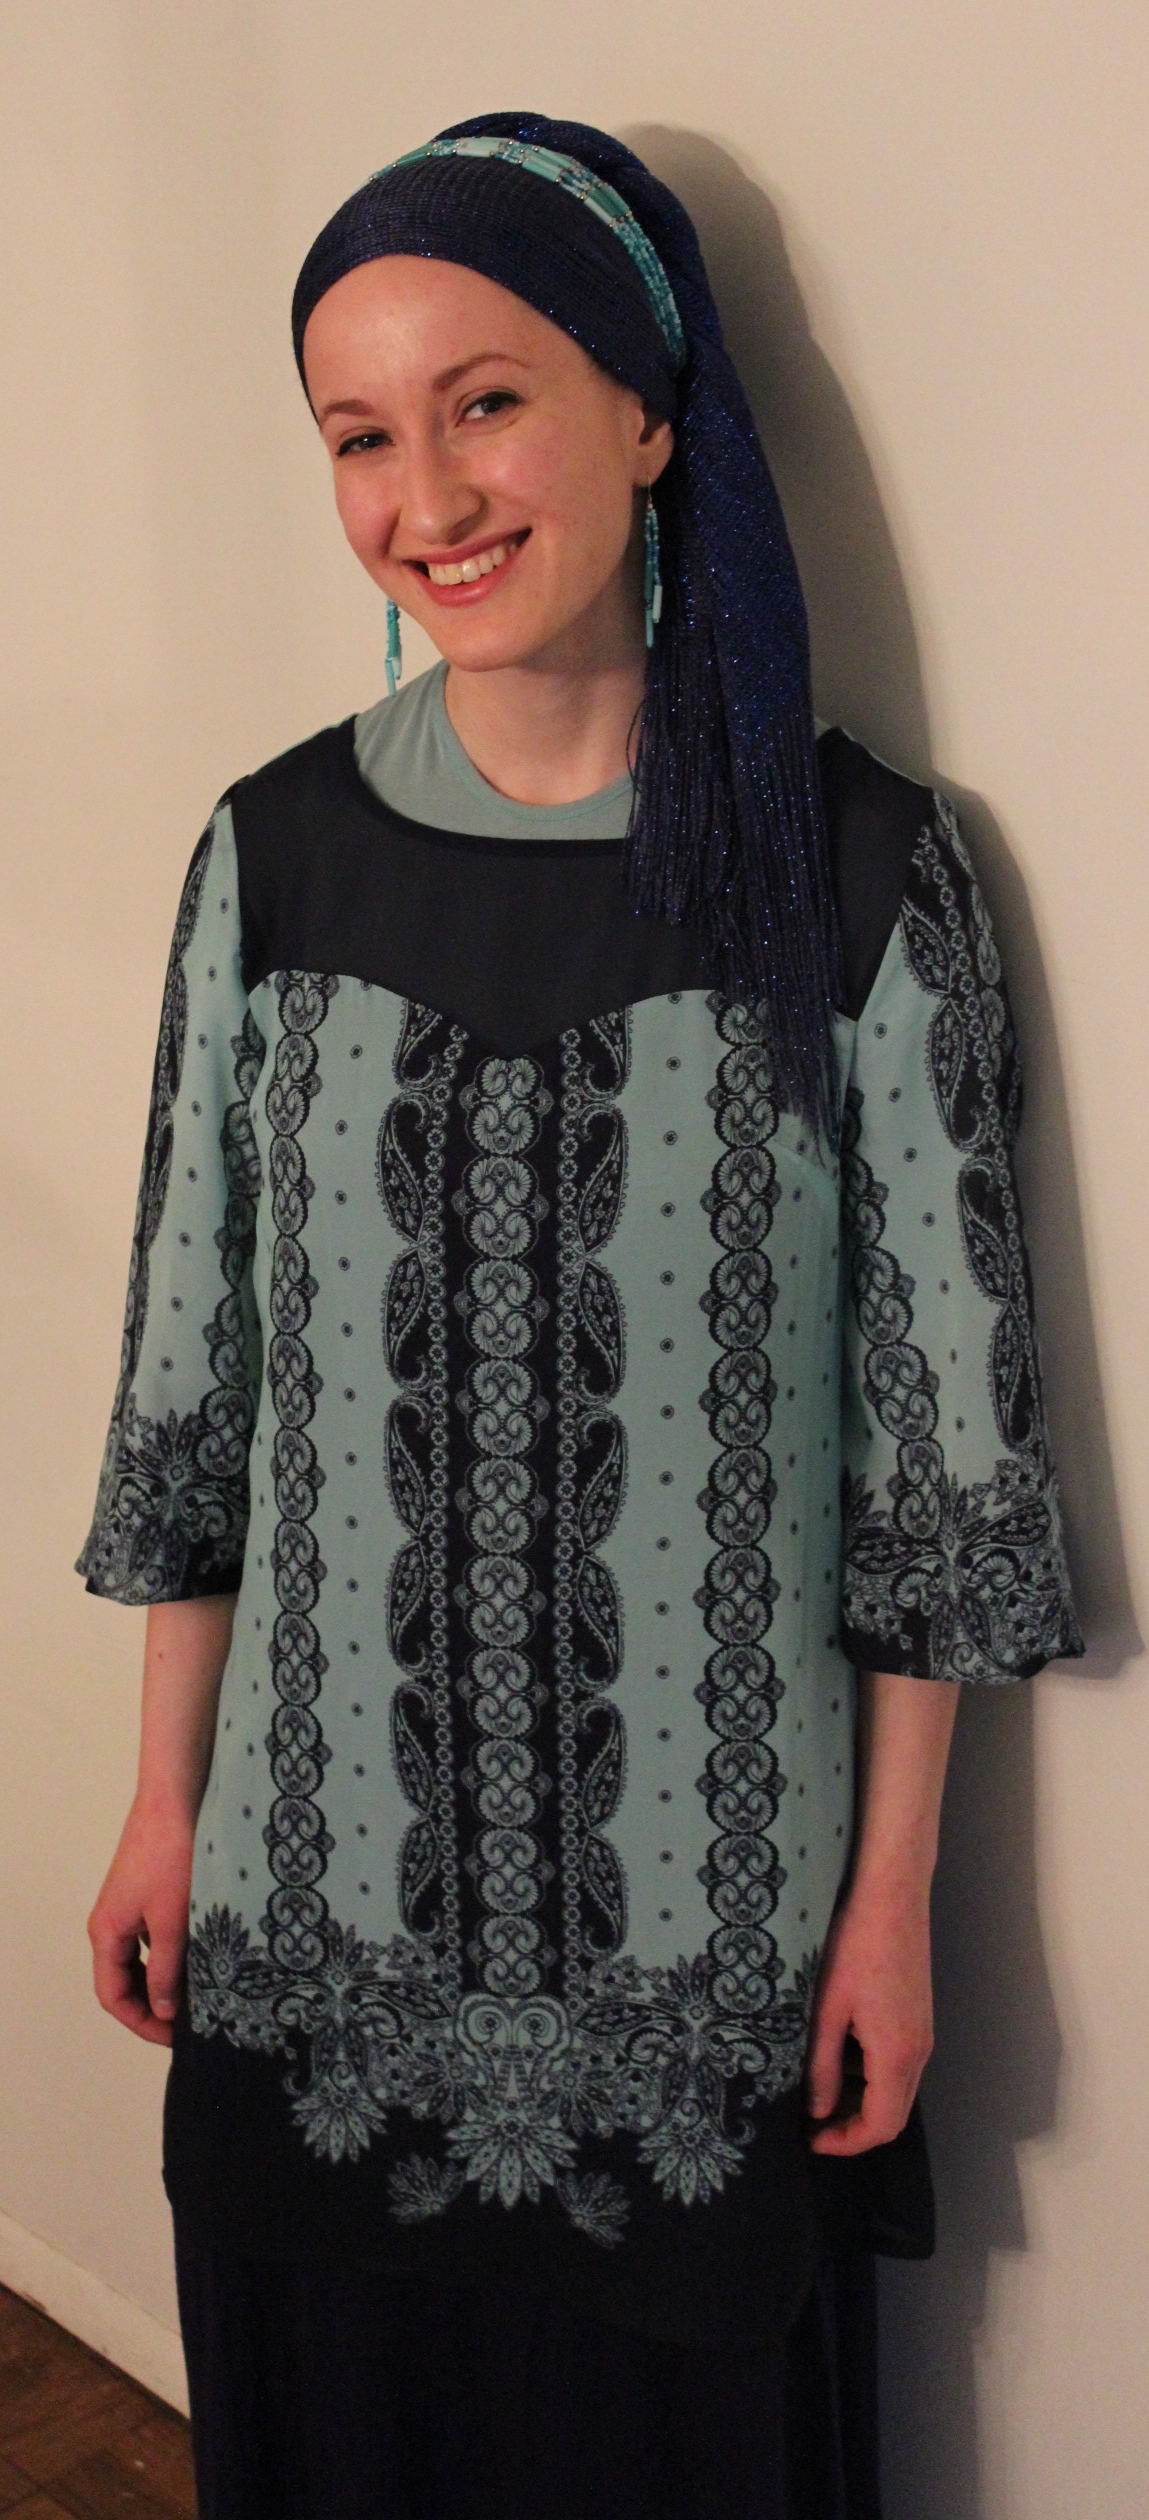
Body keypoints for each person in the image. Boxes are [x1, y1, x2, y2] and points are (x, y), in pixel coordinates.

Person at [81, 113, 1082, 2520]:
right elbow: (198, 1394)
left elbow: (934, 1480)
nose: (422, 493)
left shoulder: (858, 874)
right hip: (311, 1940)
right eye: (356, 434)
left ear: (646, 414)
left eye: (485, 401)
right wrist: (159, 1806)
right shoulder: (271, 857)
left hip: (702, 1974)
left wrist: (888, 1915)